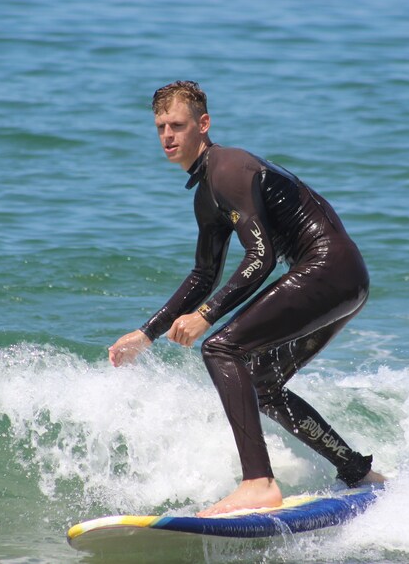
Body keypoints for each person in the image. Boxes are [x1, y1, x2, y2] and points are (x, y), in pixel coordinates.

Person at [109, 80, 385, 516]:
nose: (167, 136)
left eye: (177, 125)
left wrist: (205, 316)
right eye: (161, 127)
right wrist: (147, 334)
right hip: (342, 278)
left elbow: (262, 256)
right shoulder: (207, 194)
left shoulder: (228, 169)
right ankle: (357, 472)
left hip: (328, 269)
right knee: (262, 383)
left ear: (203, 124)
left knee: (221, 348)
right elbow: (204, 274)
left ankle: (258, 483)